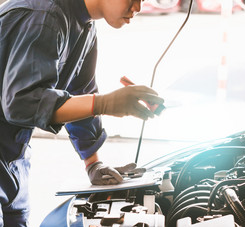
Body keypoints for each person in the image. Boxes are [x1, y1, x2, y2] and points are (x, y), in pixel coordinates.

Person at [0, 0, 164, 226]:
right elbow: (22, 104)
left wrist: (93, 163)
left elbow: (81, 92)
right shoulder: (45, 16)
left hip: (13, 157)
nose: (138, 8)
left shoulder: (83, 25)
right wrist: (104, 104)